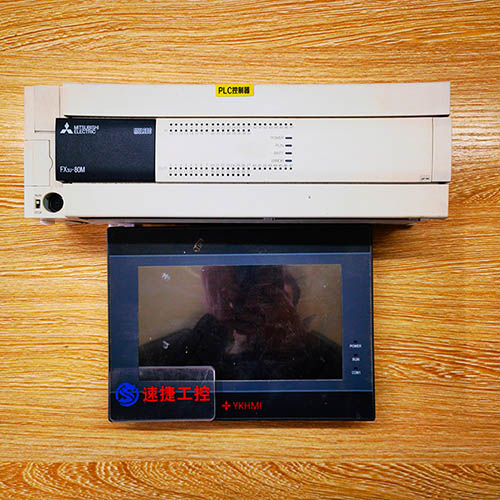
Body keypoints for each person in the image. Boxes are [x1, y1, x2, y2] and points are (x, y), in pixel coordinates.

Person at [139, 265, 342, 380]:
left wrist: (294, 339)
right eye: (241, 295)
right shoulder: (188, 344)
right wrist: (214, 325)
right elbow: (139, 376)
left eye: (270, 297)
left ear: (291, 307)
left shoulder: (319, 353)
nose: (254, 305)